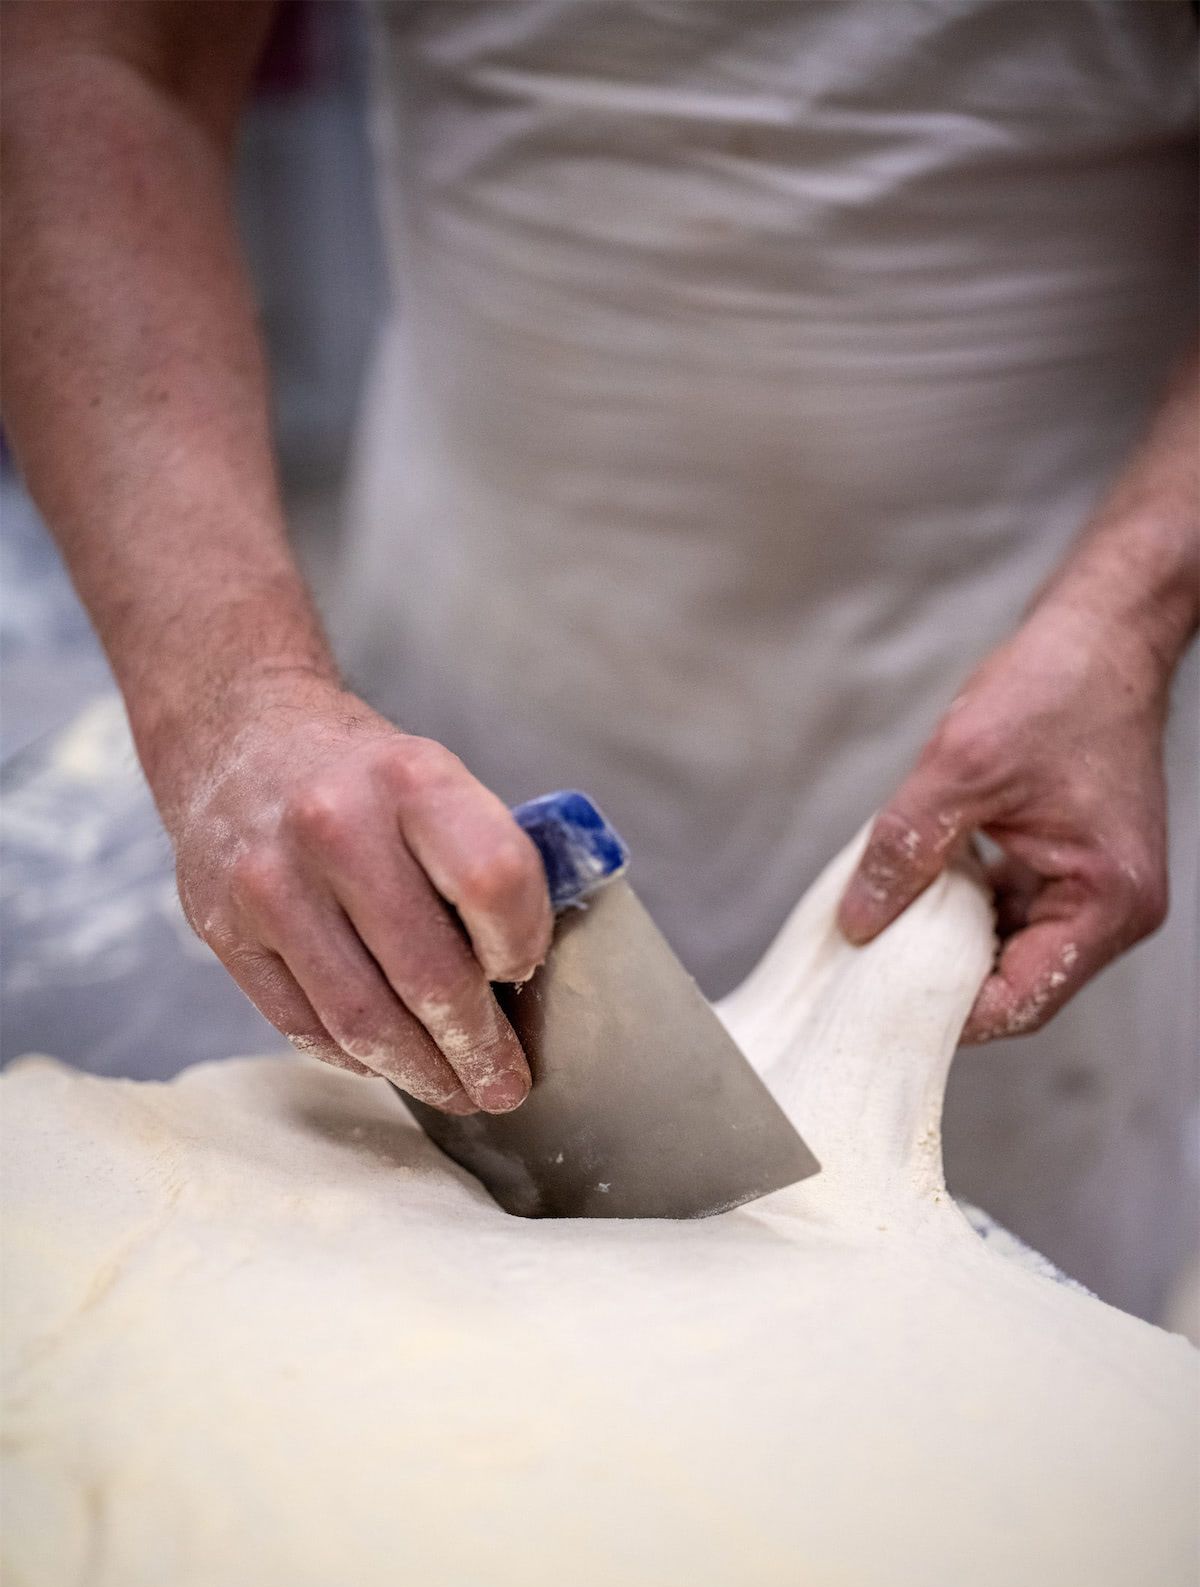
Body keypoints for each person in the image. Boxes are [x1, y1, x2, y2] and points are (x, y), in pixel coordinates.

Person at [2, 1, 1196, 1311]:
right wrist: (235, 698)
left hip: (1040, 690)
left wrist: (1133, 621)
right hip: (469, 666)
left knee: (984, 1346)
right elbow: (92, 63)